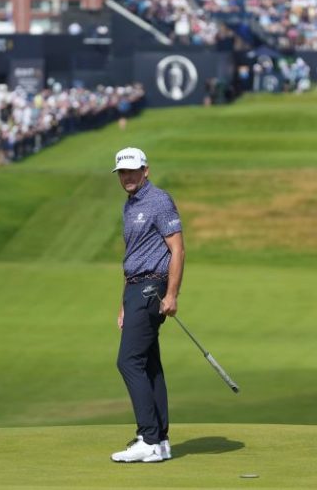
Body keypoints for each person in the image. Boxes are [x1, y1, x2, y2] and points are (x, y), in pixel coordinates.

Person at [111, 147, 184, 464]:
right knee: (149, 364)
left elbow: (178, 250)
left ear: (146, 170)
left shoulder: (159, 200)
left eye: (132, 171)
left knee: (128, 362)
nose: (127, 177)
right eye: (122, 173)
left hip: (152, 289)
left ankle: (149, 438)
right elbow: (134, 256)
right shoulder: (130, 206)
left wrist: (172, 294)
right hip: (135, 290)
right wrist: (123, 304)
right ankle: (161, 440)